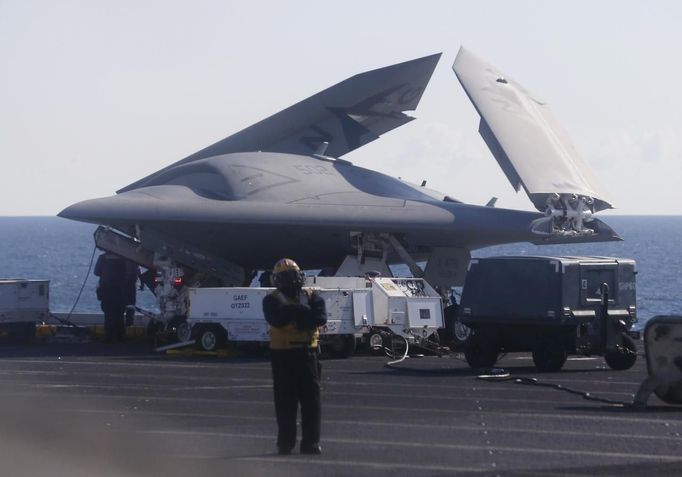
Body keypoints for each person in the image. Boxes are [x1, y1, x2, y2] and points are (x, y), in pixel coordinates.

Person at [262, 258, 327, 455]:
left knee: (311, 403)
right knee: (285, 403)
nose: (291, 280)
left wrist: (293, 313)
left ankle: (311, 443)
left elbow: (320, 318)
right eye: (286, 276)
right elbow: (276, 319)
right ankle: (286, 443)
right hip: (284, 356)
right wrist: (300, 312)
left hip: (308, 353)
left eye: (293, 276)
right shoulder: (272, 299)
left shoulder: (311, 296)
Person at [94, 252, 139, 343]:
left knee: (108, 314)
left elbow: (96, 272)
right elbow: (131, 273)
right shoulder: (124, 258)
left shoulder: (103, 258)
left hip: (106, 290)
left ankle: (109, 336)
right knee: (119, 314)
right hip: (120, 290)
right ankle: (120, 335)